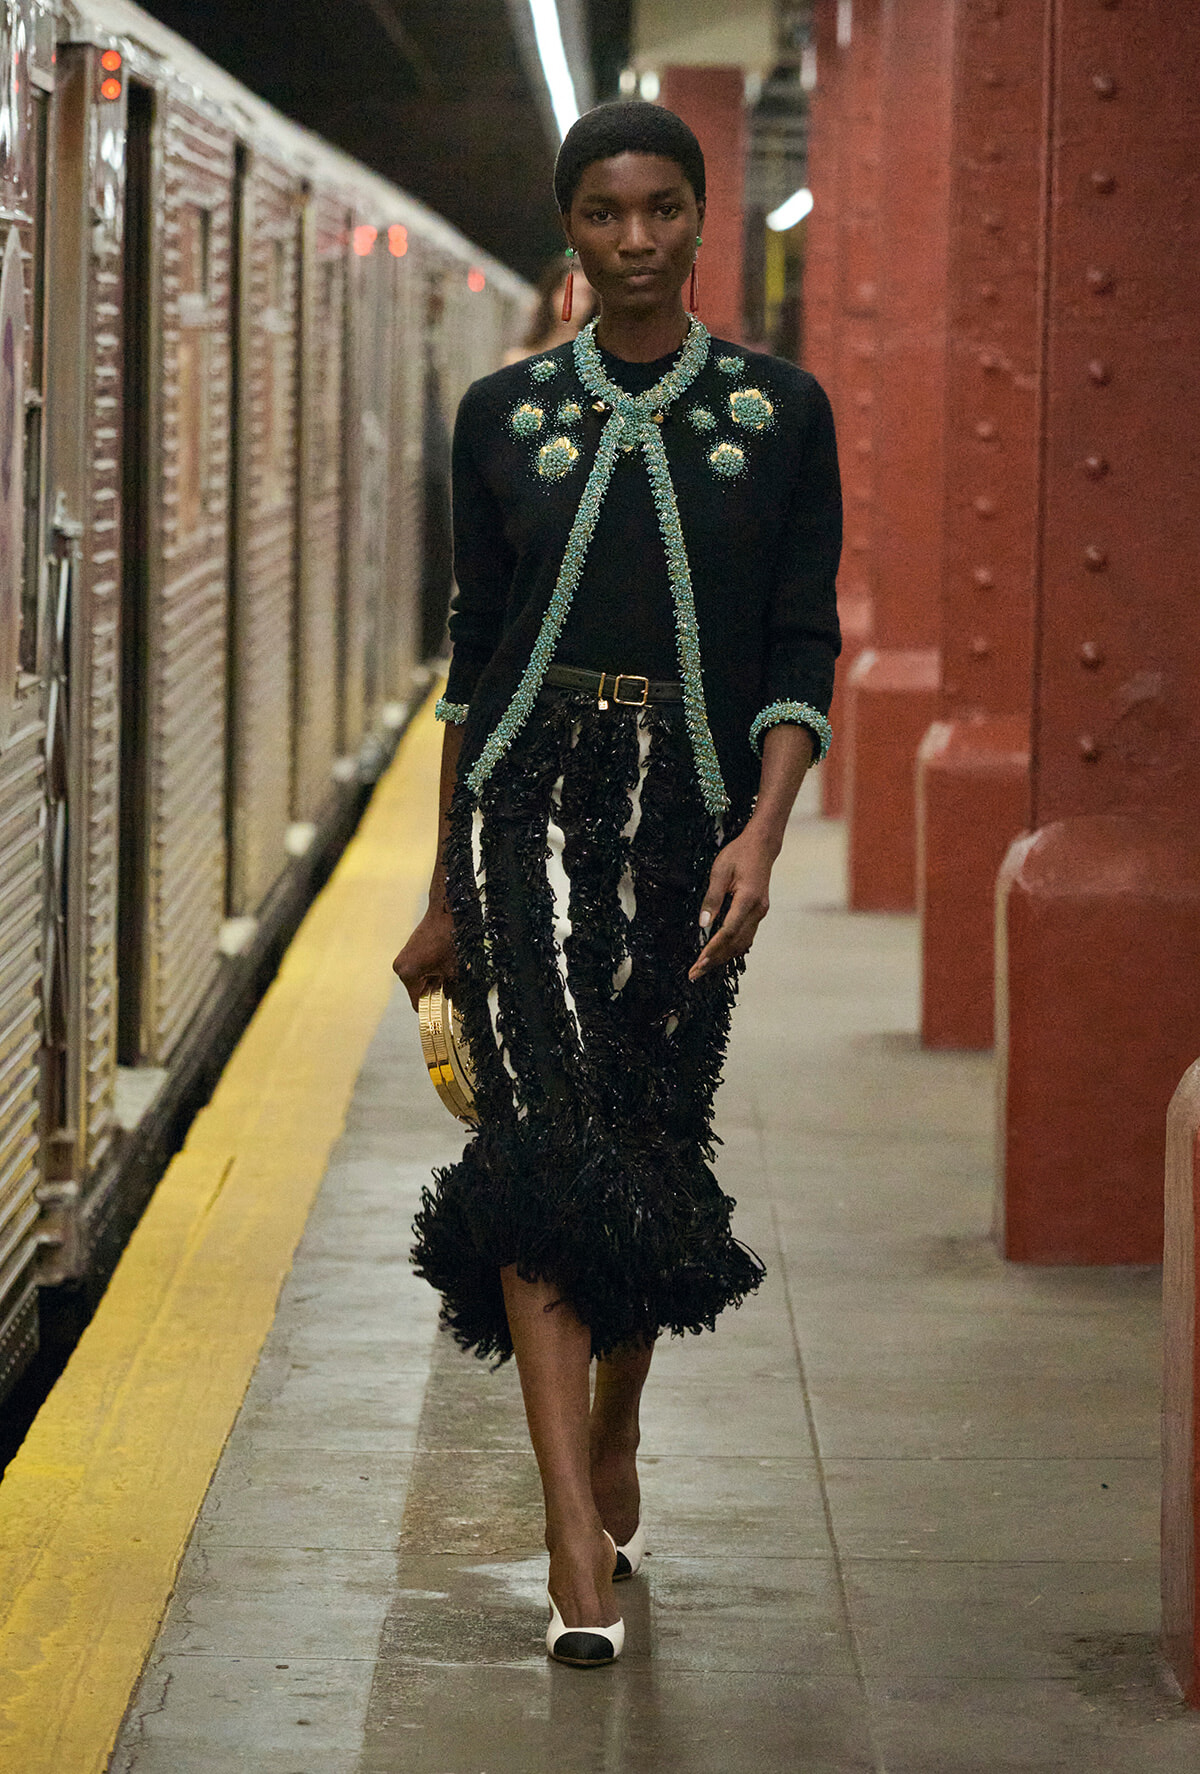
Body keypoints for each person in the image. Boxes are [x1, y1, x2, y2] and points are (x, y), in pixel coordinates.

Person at [393, 100, 841, 1668]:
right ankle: (573, 1532)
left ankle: (622, 1399)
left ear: (702, 216)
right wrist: (446, 874)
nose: (635, 239)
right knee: (538, 1146)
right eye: (604, 213)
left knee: (649, 1131)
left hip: (692, 812)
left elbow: (802, 648)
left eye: (661, 209)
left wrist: (765, 833)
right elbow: (473, 658)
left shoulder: (783, 416)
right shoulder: (500, 414)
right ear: (571, 227)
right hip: (523, 807)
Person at [501, 251, 595, 365]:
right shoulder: (518, 359)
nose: (573, 302)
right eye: (567, 292)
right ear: (551, 294)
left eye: (582, 294)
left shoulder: (595, 366)